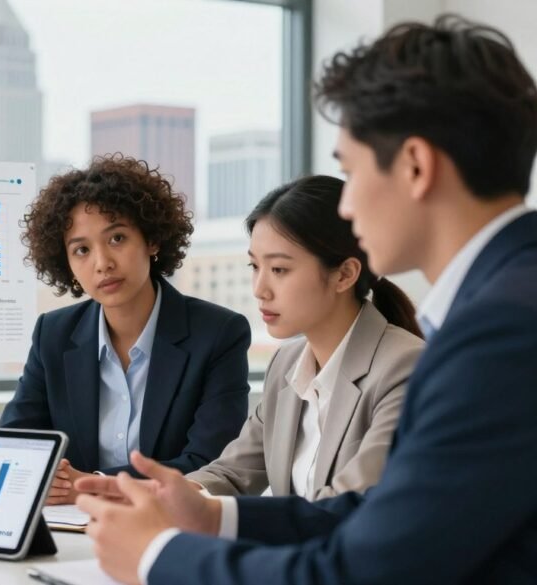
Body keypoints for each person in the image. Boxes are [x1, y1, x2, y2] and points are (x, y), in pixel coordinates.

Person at [75, 15, 537, 584]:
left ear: (415, 166)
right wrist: (211, 513)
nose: (345, 207)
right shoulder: (504, 301)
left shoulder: (503, 329)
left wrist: (154, 558)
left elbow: (364, 570)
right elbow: (380, 517)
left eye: (351, 170)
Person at [0, 154, 251, 504]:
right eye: (82, 250)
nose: (102, 263)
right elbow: (15, 444)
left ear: (152, 240)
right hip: (70, 523)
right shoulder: (53, 334)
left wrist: (92, 483)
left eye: (117, 238)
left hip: (169, 522)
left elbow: (209, 464)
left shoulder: (219, 333)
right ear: (67, 264)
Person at [187, 175, 424, 501]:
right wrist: (164, 496)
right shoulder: (286, 364)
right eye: (255, 266)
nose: (260, 289)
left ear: (345, 274)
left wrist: (220, 517)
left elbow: (349, 505)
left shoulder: (405, 367)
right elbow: (231, 474)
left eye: (279, 270)